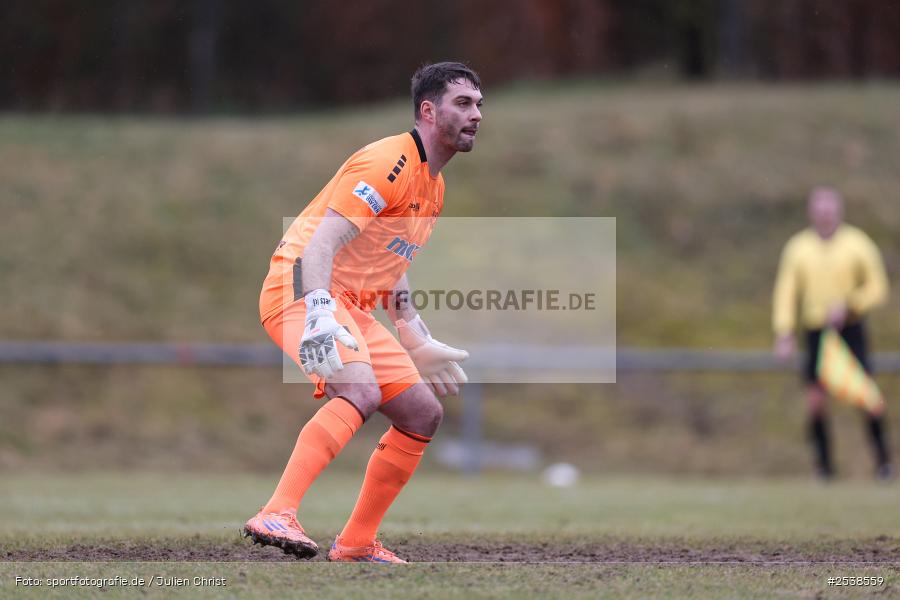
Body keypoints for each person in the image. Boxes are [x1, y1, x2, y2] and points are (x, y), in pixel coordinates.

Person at [243, 62, 483, 563]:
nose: (476, 114)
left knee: (422, 414)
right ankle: (276, 512)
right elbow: (320, 245)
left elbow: (390, 261)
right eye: (463, 103)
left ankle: (355, 544)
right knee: (360, 390)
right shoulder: (387, 162)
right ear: (428, 111)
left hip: (350, 304)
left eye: (479, 105)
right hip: (302, 288)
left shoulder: (433, 186)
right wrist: (318, 312)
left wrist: (412, 333)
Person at [773, 186, 891, 479]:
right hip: (816, 330)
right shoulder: (798, 248)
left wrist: (851, 304)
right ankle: (824, 469)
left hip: (850, 328)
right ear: (811, 212)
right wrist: (784, 331)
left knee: (868, 397)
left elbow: (878, 287)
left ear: (839, 211)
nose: (825, 215)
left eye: (829, 209)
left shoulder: (857, 244)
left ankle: (884, 464)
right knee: (815, 401)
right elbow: (786, 291)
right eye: (820, 210)